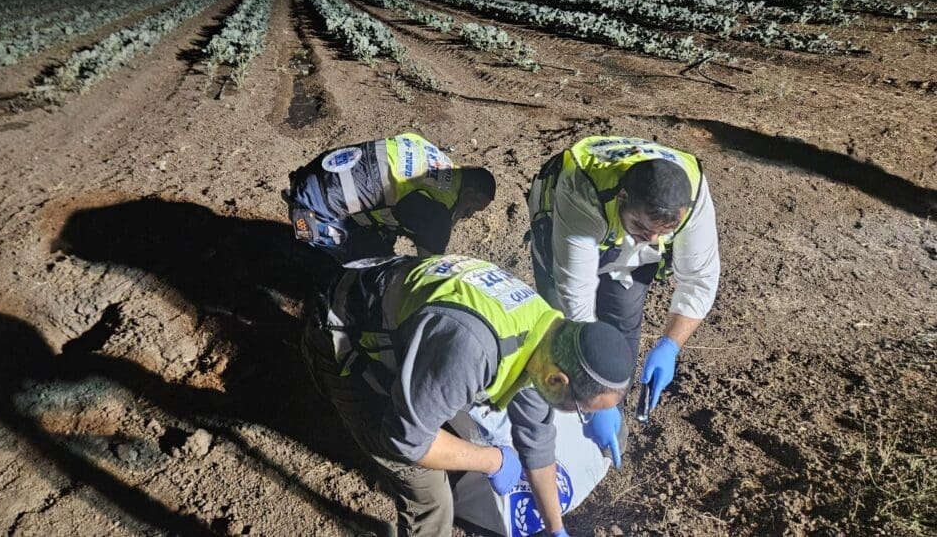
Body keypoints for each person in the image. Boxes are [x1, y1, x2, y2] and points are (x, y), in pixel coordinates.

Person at [302, 254, 634, 537]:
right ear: (558, 380)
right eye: (580, 410)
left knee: (437, 408)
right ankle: (325, 378)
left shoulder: (546, 336)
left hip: (386, 296)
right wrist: (493, 460)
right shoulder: (472, 349)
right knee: (431, 499)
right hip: (339, 333)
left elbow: (537, 442)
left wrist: (555, 528)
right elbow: (405, 441)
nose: (577, 418)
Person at [527, 135, 720, 416]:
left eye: (662, 233)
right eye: (642, 226)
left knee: (622, 321)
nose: (651, 239)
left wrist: (669, 345)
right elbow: (576, 297)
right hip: (568, 224)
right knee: (559, 327)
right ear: (623, 197)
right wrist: (593, 385)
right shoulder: (582, 187)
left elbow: (700, 279)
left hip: (620, 240)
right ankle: (557, 416)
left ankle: (613, 411)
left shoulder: (692, 197)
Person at [284, 132, 496, 261]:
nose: (468, 216)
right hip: (312, 207)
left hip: (317, 170)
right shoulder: (438, 209)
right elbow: (428, 266)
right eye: (472, 208)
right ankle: (306, 247)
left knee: (383, 237)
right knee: (347, 269)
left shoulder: (434, 155)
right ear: (469, 193)